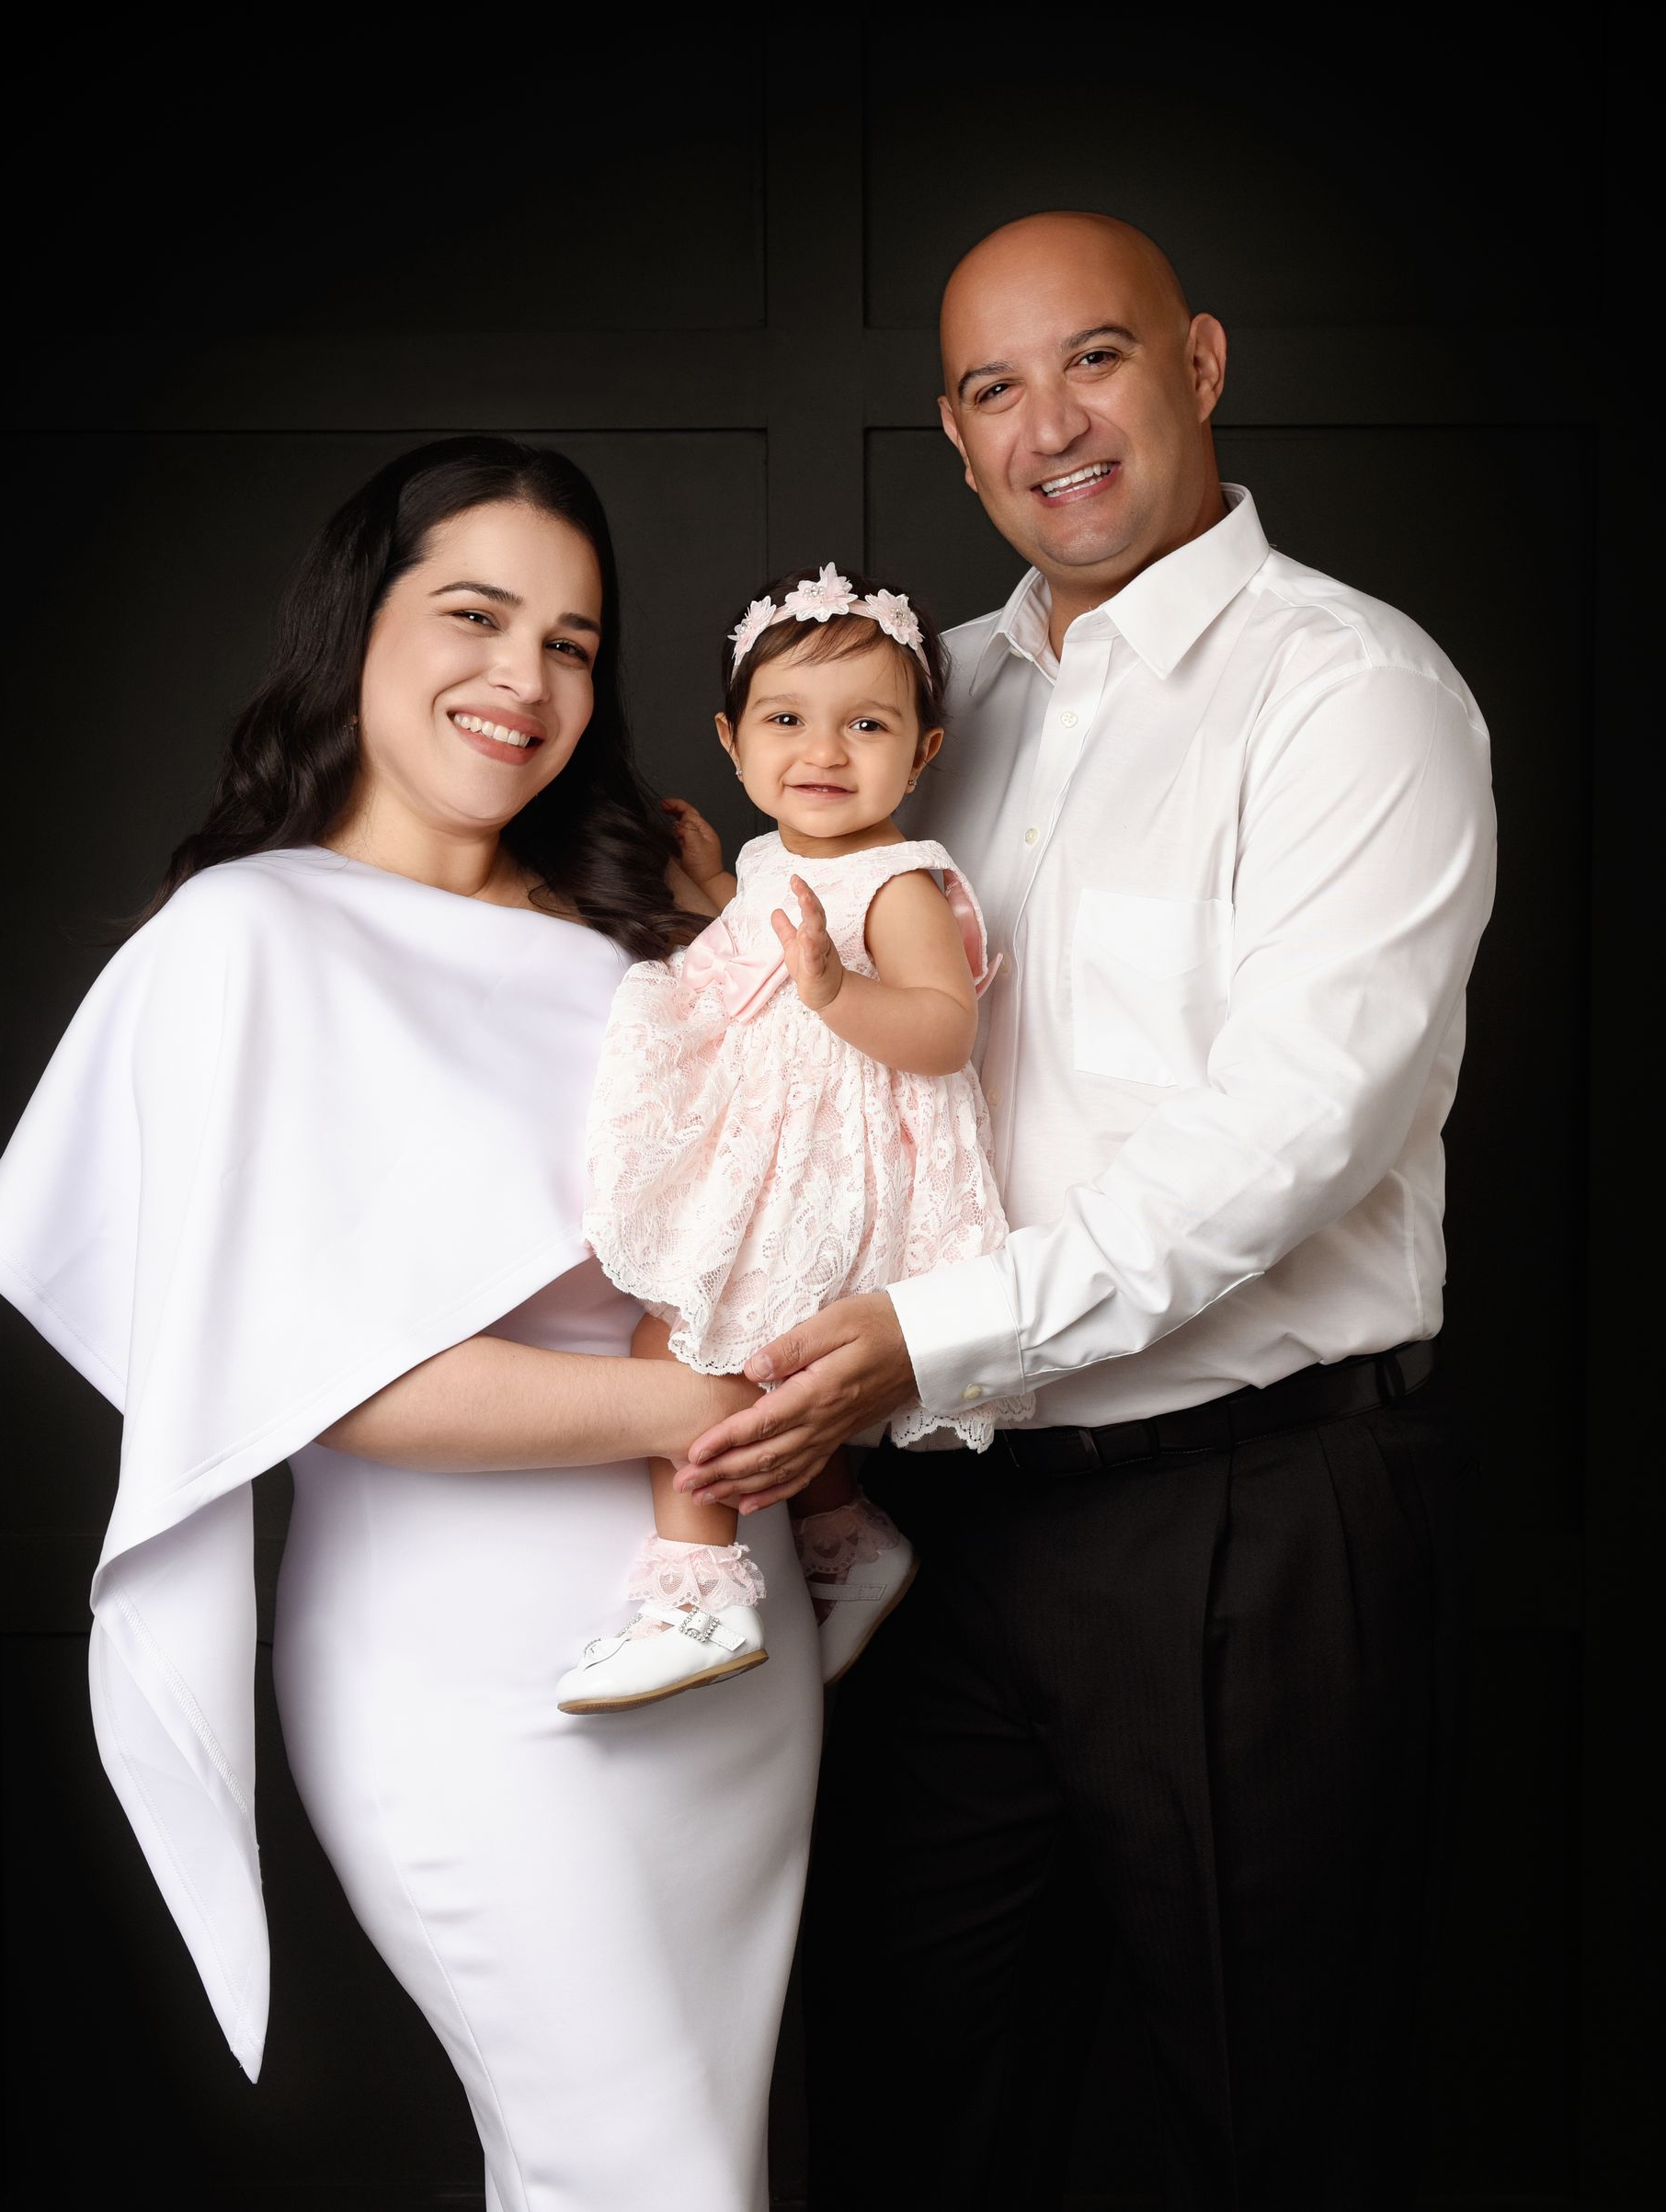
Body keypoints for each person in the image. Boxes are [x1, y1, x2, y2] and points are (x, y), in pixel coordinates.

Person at [681, 213, 1498, 2206]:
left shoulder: (1350, 690)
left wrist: (922, 1336)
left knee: (1259, 2106)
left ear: (1201, 365)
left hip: (1241, 1518)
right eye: (990, 388)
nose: (1051, 424)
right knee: (907, 2090)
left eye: (1098, 360)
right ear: (953, 441)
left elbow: (1292, 1128)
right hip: (936, 1528)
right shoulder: (906, 709)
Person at [0, 437, 821, 2212]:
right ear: (359, 626)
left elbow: (783, 1206)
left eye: (573, 642)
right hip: (469, 1681)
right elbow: (335, 1381)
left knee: (662, 2169)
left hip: (730, 1657)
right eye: (477, 615)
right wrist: (703, 1402)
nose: (525, 678)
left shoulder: (634, 931)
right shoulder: (248, 938)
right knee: (643, 2176)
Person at [562, 562, 1029, 1712]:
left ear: (920, 754)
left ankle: (697, 1591)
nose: (823, 752)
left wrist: (834, 991)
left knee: (682, 1345)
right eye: (786, 720)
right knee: (763, 1357)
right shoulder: (777, 853)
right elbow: (757, 949)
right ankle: (842, 1538)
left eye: (866, 724)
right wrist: (719, 885)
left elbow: (941, 1032)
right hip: (776, 1143)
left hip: (845, 1158)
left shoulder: (901, 881)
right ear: (731, 741)